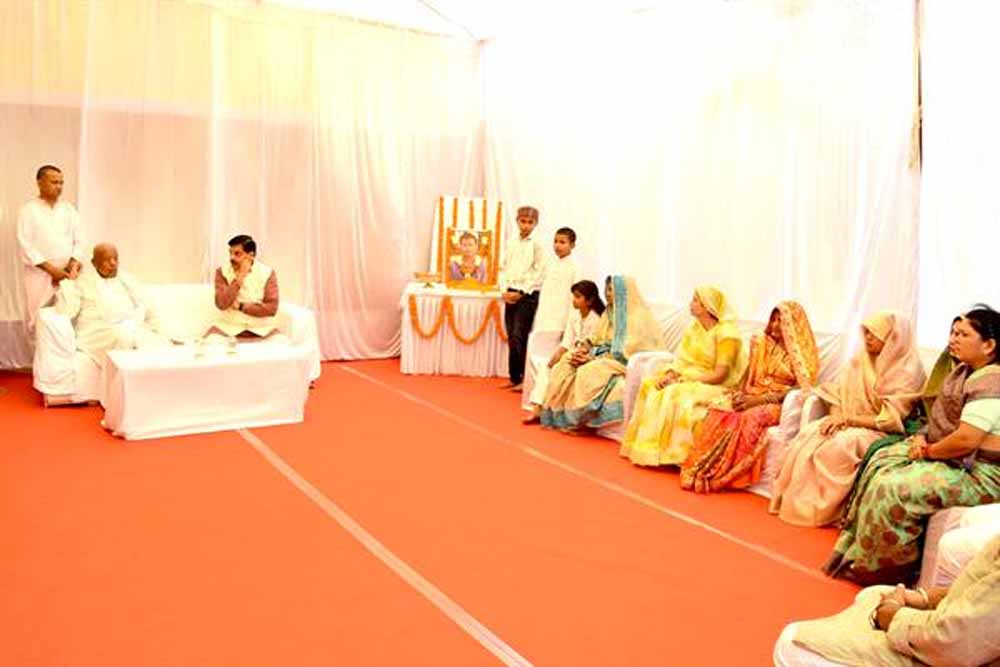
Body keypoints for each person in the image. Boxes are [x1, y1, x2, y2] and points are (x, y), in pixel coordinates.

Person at [824, 307, 1000, 585]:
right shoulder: (964, 372)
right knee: (881, 464)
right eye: (954, 333)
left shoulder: (992, 381)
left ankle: (890, 570)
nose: (953, 339)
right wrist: (923, 437)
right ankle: (858, 553)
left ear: (989, 345)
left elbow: (966, 439)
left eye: (963, 334)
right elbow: (943, 419)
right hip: (955, 458)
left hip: (984, 475)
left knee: (894, 488)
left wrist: (929, 452)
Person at [769, 311, 925, 527]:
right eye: (866, 332)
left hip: (883, 431)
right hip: (850, 422)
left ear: (892, 337)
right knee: (812, 433)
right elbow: (838, 393)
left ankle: (826, 510)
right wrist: (836, 419)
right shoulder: (860, 360)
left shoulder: (907, 370)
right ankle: (797, 503)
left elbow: (890, 419)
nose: (867, 338)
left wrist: (848, 420)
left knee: (840, 446)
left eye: (874, 334)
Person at [773, 534, 1000, 667]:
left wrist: (893, 616)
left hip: (954, 652)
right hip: (962, 638)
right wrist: (925, 599)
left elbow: (954, 644)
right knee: (873, 594)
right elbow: (983, 594)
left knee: (792, 642)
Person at [680, 301, 820, 493]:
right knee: (718, 408)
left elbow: (801, 389)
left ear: (793, 324)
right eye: (773, 320)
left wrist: (759, 400)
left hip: (778, 402)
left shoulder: (803, 354)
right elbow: (748, 373)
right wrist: (739, 393)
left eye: (781, 321)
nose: (775, 325)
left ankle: (722, 474)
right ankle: (701, 468)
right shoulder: (760, 342)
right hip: (752, 394)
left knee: (750, 417)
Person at [619, 285, 746, 467]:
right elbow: (681, 360)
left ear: (708, 306)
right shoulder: (694, 329)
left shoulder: (727, 334)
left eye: (695, 300)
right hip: (689, 377)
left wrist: (684, 379)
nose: (691, 303)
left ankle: (675, 455)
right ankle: (649, 449)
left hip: (717, 385)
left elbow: (720, 375)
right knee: (650, 385)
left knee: (674, 392)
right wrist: (671, 374)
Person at [540, 275, 662, 432]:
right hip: (601, 354)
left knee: (588, 371)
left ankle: (578, 419)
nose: (607, 293)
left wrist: (592, 358)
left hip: (623, 360)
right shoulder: (609, 313)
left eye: (611, 290)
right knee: (566, 361)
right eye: (606, 289)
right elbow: (595, 337)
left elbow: (627, 351)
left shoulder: (638, 317)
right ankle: (553, 413)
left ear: (623, 292)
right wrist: (583, 349)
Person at [53, 243, 165, 362]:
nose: (113, 263)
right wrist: (70, 282)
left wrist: (153, 329)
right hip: (97, 332)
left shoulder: (127, 279)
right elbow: (67, 311)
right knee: (122, 336)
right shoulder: (84, 282)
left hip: (130, 328)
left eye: (115, 259)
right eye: (107, 260)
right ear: (94, 263)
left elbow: (147, 306)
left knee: (154, 342)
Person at [522, 280, 604, 424]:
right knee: (547, 367)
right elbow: (566, 342)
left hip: (587, 357)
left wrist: (579, 355)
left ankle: (556, 412)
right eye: (573, 296)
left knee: (561, 368)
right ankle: (537, 408)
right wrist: (556, 356)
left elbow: (595, 345)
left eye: (578, 297)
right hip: (571, 353)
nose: (574, 300)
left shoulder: (597, 320)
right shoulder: (574, 316)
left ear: (590, 300)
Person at [16, 165, 84, 333]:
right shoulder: (28, 210)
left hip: (67, 275)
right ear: (40, 183)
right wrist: (52, 270)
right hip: (39, 275)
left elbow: (79, 240)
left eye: (61, 183)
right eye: (54, 182)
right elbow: (25, 245)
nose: (59, 187)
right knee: (37, 320)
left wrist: (72, 266)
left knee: (67, 318)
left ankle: (63, 352)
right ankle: (36, 352)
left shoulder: (69, 209)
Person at [498, 206, 546, 390]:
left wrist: (522, 292)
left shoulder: (538, 244)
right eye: (523, 221)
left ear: (536, 223)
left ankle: (526, 380)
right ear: (517, 221)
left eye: (530, 222)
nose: (526, 225)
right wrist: (504, 290)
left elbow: (539, 272)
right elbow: (503, 267)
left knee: (520, 335)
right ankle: (514, 377)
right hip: (510, 292)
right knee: (511, 336)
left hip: (527, 295)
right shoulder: (511, 241)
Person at [208, 234, 280, 338]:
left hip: (261, 329)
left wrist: (241, 307)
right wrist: (240, 277)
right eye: (230, 253)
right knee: (210, 342)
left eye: (237, 254)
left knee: (282, 343)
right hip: (228, 328)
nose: (232, 258)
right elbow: (221, 304)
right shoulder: (221, 272)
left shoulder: (267, 273)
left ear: (251, 255)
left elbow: (271, 309)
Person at [531, 227, 580, 333]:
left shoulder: (575, 267)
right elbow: (537, 284)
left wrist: (570, 325)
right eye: (555, 241)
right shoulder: (549, 263)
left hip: (562, 319)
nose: (557, 245)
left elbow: (576, 297)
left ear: (572, 245)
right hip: (544, 317)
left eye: (562, 242)